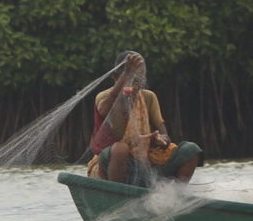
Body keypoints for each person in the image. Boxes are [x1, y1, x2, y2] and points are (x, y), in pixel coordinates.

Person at [86, 52, 202, 186]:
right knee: (120, 149)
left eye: (139, 76)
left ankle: (173, 196)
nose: (137, 80)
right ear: (116, 77)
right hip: (110, 163)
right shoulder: (105, 96)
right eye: (131, 76)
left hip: (142, 163)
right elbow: (104, 110)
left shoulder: (149, 97)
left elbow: (165, 136)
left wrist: (160, 139)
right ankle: (117, 193)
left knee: (190, 150)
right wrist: (125, 80)